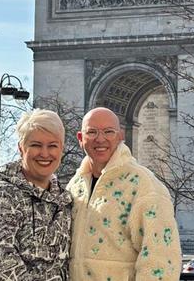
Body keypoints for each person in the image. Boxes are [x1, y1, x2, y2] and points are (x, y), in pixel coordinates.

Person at [67, 107, 182, 281]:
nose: (100, 139)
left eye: (108, 132)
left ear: (121, 136)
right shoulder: (74, 186)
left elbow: (161, 260)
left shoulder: (145, 186)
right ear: (80, 139)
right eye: (92, 132)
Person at [0, 109, 72, 280]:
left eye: (52, 146)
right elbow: (0, 268)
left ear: (61, 149)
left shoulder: (65, 201)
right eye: (36, 145)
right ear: (21, 148)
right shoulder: (2, 196)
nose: (45, 153)